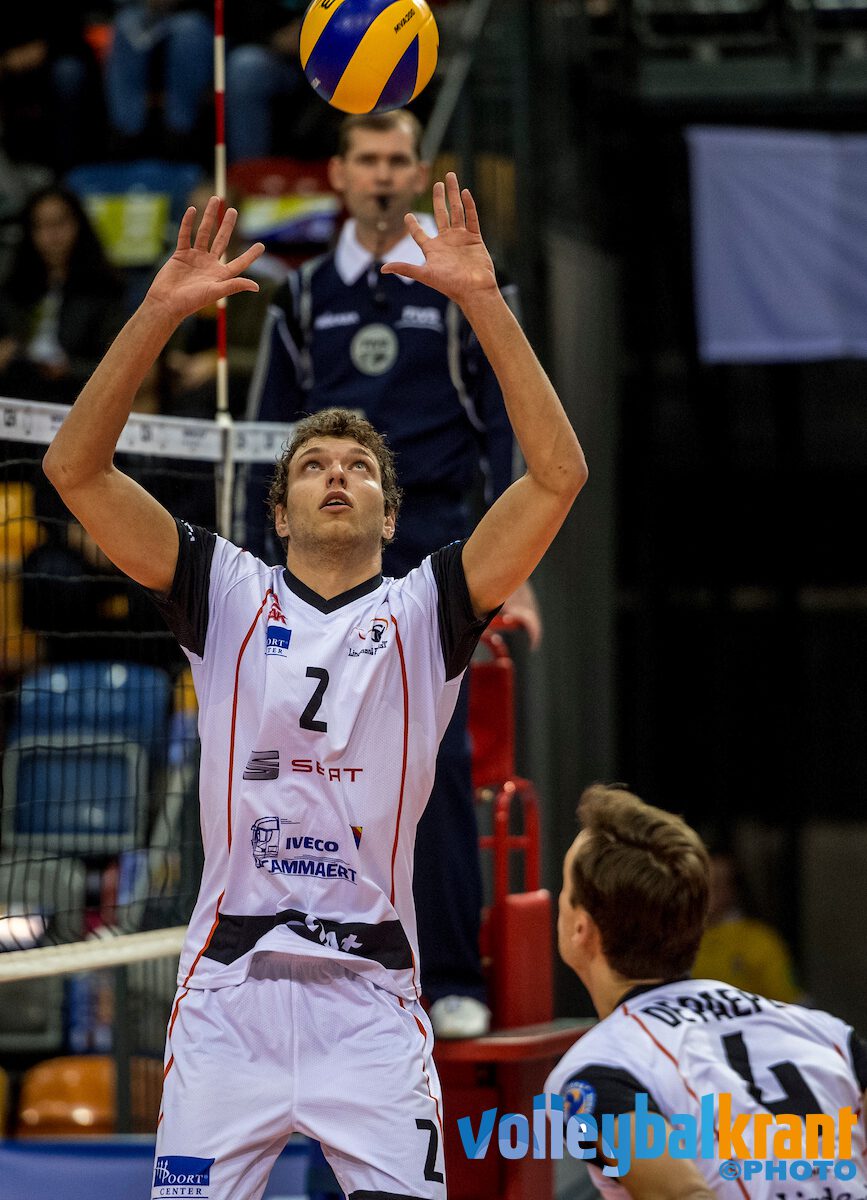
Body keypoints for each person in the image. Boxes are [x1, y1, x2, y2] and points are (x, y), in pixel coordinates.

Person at [43, 179, 587, 1200]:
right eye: (313, 466)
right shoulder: (225, 591)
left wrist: (483, 301)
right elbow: (74, 469)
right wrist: (157, 310)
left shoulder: (428, 607)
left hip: (369, 1006)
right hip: (229, 1003)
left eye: (361, 468)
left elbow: (557, 476)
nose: (338, 474)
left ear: (391, 517)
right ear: (280, 514)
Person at [247, 109, 541, 1041]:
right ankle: (297, 958)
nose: (381, 174)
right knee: (295, 763)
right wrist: (259, 573)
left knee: (435, 759)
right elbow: (265, 446)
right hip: (316, 562)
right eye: (366, 159)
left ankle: (448, 975)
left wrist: (515, 569)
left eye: (397, 160)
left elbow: (507, 433)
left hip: (434, 550)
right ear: (338, 175)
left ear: (417, 174)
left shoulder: (456, 288)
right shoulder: (300, 299)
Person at [547, 785, 867, 1199]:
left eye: (563, 891)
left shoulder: (597, 1070)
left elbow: (683, 1196)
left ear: (580, 928)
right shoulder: (831, 1036)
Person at [0, 186, 124, 406]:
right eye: (40, 226)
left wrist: (70, 368)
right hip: (16, 387)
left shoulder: (104, 288)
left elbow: (116, 364)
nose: (51, 236)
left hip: (76, 395)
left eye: (58, 224)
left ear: (78, 225)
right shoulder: (13, 287)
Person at [692, 847, 802, 1005]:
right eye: (700, 882)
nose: (706, 892)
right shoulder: (670, 936)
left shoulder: (760, 940)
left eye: (716, 884)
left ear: (732, 889)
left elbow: (792, 1002)